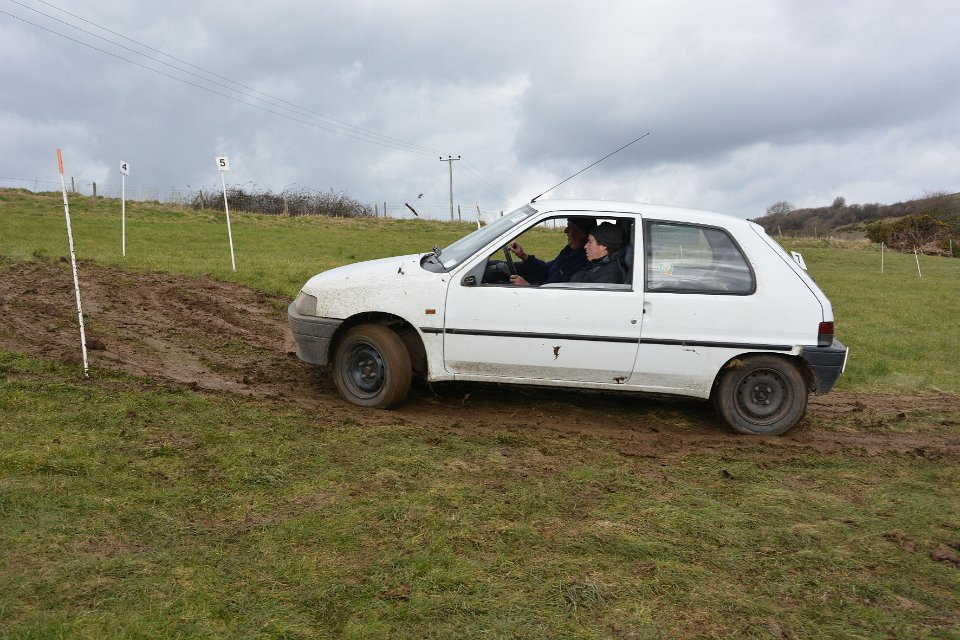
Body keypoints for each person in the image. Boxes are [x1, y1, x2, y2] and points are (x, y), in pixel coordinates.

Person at [507, 217, 596, 285]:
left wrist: (528, 287)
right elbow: (548, 269)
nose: (565, 231)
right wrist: (524, 256)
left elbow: (560, 294)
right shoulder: (569, 250)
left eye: (570, 227)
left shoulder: (585, 261)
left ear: (583, 233)